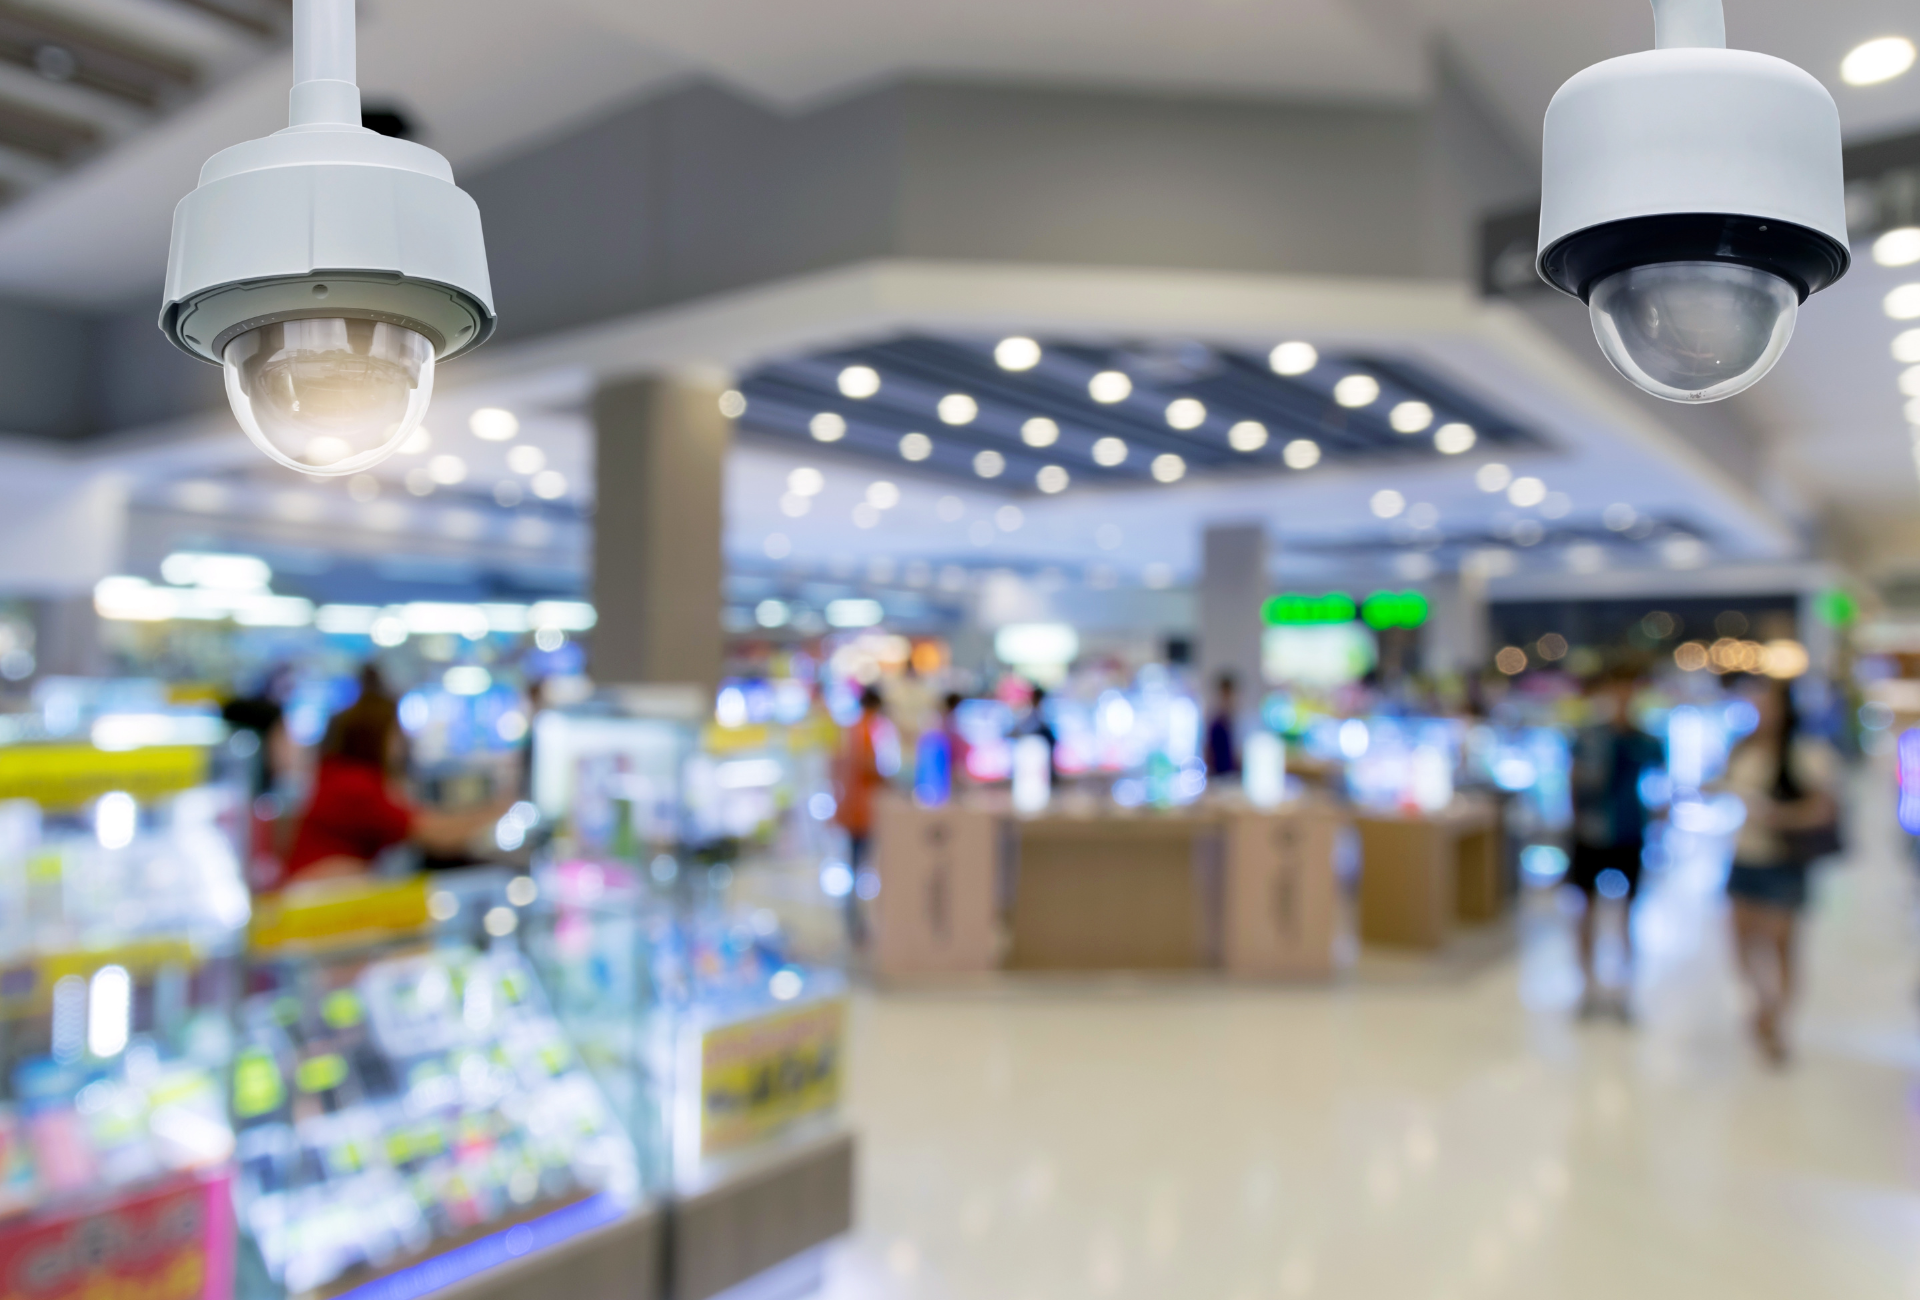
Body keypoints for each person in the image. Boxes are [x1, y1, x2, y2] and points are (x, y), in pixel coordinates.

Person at [283, 666, 511, 885]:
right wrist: (500, 809)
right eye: (395, 734)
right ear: (377, 735)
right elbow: (436, 835)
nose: (401, 744)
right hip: (316, 901)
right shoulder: (355, 786)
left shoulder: (340, 774)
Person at [1721, 677, 1839, 1066]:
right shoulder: (1743, 749)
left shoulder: (1806, 753)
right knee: (1742, 943)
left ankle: (1775, 1020)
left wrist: (1780, 818)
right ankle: (1763, 1006)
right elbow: (1726, 787)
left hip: (1784, 860)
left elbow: (1824, 809)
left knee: (1781, 945)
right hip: (1745, 856)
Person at [1566, 670, 1664, 1020]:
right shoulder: (1589, 736)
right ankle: (1588, 987)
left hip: (1629, 834)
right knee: (1586, 912)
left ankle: (1624, 990)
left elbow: (1660, 788)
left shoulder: (1647, 741)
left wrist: (1659, 827)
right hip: (1590, 836)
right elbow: (1573, 781)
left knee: (1627, 915)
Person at [833, 685, 889, 944]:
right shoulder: (867, 730)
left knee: (856, 867)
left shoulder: (851, 729)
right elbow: (869, 767)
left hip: (852, 808)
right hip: (862, 811)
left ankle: (852, 920)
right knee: (862, 869)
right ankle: (856, 923)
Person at [1205, 672, 1239, 778]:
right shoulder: (1216, 724)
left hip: (1232, 775)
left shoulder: (1236, 721)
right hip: (1218, 776)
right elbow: (1209, 752)